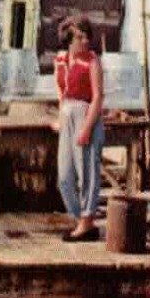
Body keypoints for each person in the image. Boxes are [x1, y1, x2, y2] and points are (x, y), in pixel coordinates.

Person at [53, 15, 105, 242]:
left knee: (87, 172)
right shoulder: (61, 60)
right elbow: (60, 91)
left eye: (86, 37)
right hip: (68, 114)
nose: (85, 41)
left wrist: (86, 128)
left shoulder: (92, 61)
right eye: (79, 37)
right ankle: (81, 218)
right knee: (64, 175)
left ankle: (86, 221)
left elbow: (97, 97)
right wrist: (60, 119)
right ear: (69, 40)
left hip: (86, 114)